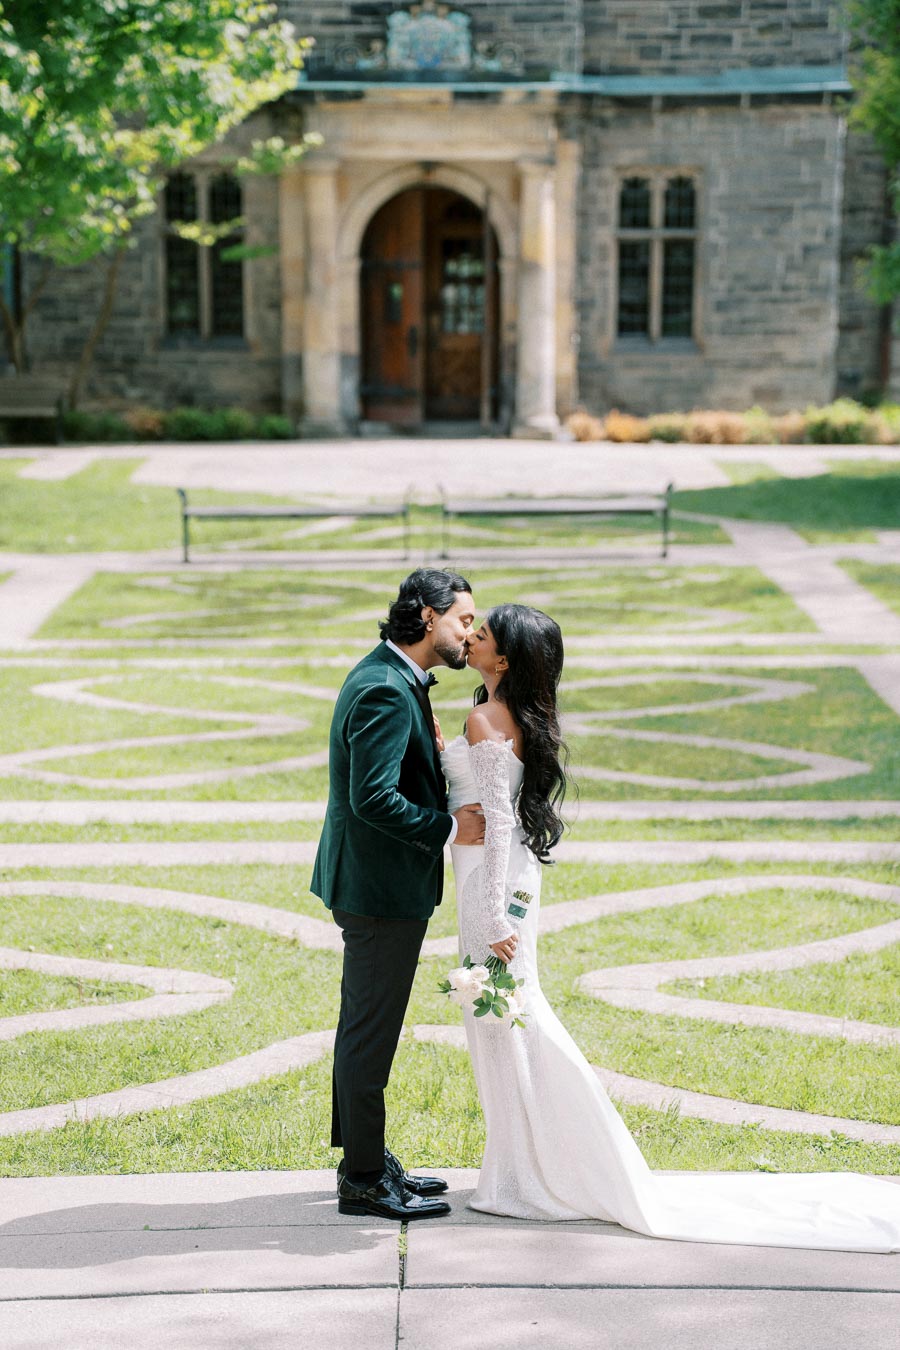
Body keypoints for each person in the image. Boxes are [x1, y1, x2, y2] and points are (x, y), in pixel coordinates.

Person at [439, 602, 900, 1252]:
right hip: (500, 874)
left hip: (492, 882)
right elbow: (497, 792)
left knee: (507, 1020)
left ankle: (529, 1176)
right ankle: (519, 1169)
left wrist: (489, 915)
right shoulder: (496, 712)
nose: (471, 637)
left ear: (504, 658)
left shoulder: (485, 716)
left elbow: (502, 817)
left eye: (480, 634)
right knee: (506, 1018)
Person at [312, 568, 485, 1222]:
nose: (470, 631)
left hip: (377, 884)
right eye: (463, 619)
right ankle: (361, 1177)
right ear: (424, 616)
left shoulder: (394, 676)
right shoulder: (385, 688)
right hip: (379, 890)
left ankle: (367, 1155)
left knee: (364, 1028)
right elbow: (373, 798)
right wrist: (448, 824)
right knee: (368, 1034)